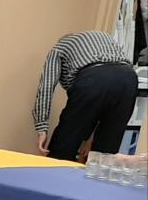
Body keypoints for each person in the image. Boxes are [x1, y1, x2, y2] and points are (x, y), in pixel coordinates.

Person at [33, 30, 138, 161]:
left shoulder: (60, 47)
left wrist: (42, 128)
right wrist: (90, 138)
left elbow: (46, 86)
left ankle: (55, 171)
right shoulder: (104, 38)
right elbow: (102, 103)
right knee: (104, 156)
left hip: (93, 78)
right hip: (129, 78)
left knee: (62, 148)